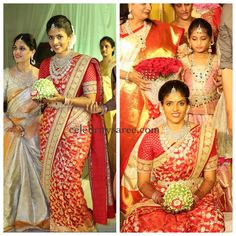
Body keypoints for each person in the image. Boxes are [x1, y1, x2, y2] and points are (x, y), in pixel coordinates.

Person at [38, 15, 114, 232]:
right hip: (50, 126)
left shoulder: (85, 63)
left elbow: (91, 99)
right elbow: (42, 97)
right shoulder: (45, 65)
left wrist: (64, 100)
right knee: (52, 177)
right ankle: (59, 222)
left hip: (76, 128)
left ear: (71, 37)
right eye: (51, 37)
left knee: (69, 178)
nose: (55, 42)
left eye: (60, 36)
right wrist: (40, 98)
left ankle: (79, 223)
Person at [121, 80, 225, 232]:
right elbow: (143, 183)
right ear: (161, 106)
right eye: (169, 104)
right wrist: (159, 198)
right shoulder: (151, 138)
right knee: (137, 222)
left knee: (212, 221)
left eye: (180, 103)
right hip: (160, 199)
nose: (175, 109)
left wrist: (195, 198)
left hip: (197, 197)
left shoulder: (205, 135)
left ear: (188, 105)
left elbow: (210, 178)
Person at [119, 3, 184, 214]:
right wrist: (129, 75)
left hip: (158, 102)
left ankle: (163, 196)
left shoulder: (163, 30)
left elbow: (178, 61)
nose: (148, 6)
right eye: (143, 2)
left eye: (150, 2)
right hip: (129, 101)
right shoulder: (118, 31)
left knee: (158, 147)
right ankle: (132, 202)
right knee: (132, 151)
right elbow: (112, 66)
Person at [4, 33, 49, 232]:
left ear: (32, 51)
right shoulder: (5, 74)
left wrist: (34, 123)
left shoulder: (41, 76)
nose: (16, 52)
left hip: (33, 132)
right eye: (14, 48)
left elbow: (48, 107)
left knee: (37, 176)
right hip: (10, 130)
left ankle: (36, 216)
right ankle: (9, 216)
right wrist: (10, 125)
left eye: (22, 48)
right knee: (9, 177)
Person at [99, 36, 116, 141]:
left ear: (113, 48)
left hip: (111, 101)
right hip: (99, 100)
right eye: (101, 47)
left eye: (107, 46)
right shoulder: (97, 65)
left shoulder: (116, 64)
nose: (103, 49)